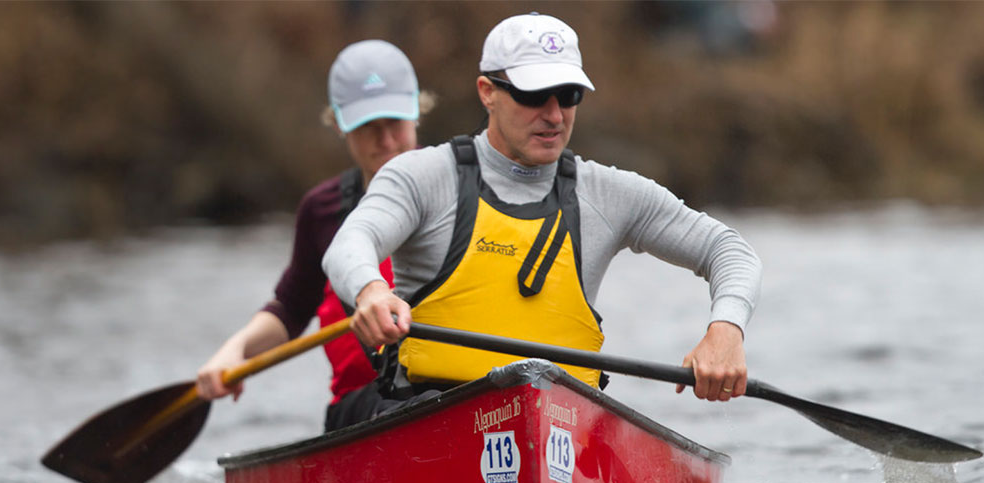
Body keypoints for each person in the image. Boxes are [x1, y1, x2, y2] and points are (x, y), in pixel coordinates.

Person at [322, 13, 762, 428]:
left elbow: (729, 251)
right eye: (534, 95)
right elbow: (350, 244)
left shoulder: (610, 194)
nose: (554, 115)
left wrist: (726, 328)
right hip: (429, 415)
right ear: (486, 91)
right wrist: (370, 290)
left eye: (569, 95)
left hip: (563, 424)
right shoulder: (421, 177)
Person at [196, 40, 435, 432]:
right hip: (362, 409)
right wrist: (234, 351)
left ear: (417, 112)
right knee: (406, 406)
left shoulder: (460, 187)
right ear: (340, 123)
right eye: (369, 127)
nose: (386, 141)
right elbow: (291, 309)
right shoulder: (321, 210)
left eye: (394, 122)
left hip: (452, 391)